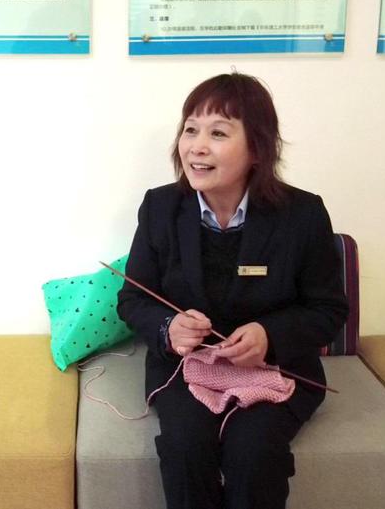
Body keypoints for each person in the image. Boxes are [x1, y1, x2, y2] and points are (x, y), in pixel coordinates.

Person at [117, 72, 348, 509]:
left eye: (218, 133)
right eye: (190, 130)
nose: (196, 146)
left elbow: (328, 309)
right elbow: (132, 299)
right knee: (185, 447)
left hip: (276, 369)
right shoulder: (161, 207)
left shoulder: (303, 214)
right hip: (186, 368)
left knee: (254, 452)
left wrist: (269, 335)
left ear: (257, 148)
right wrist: (169, 327)